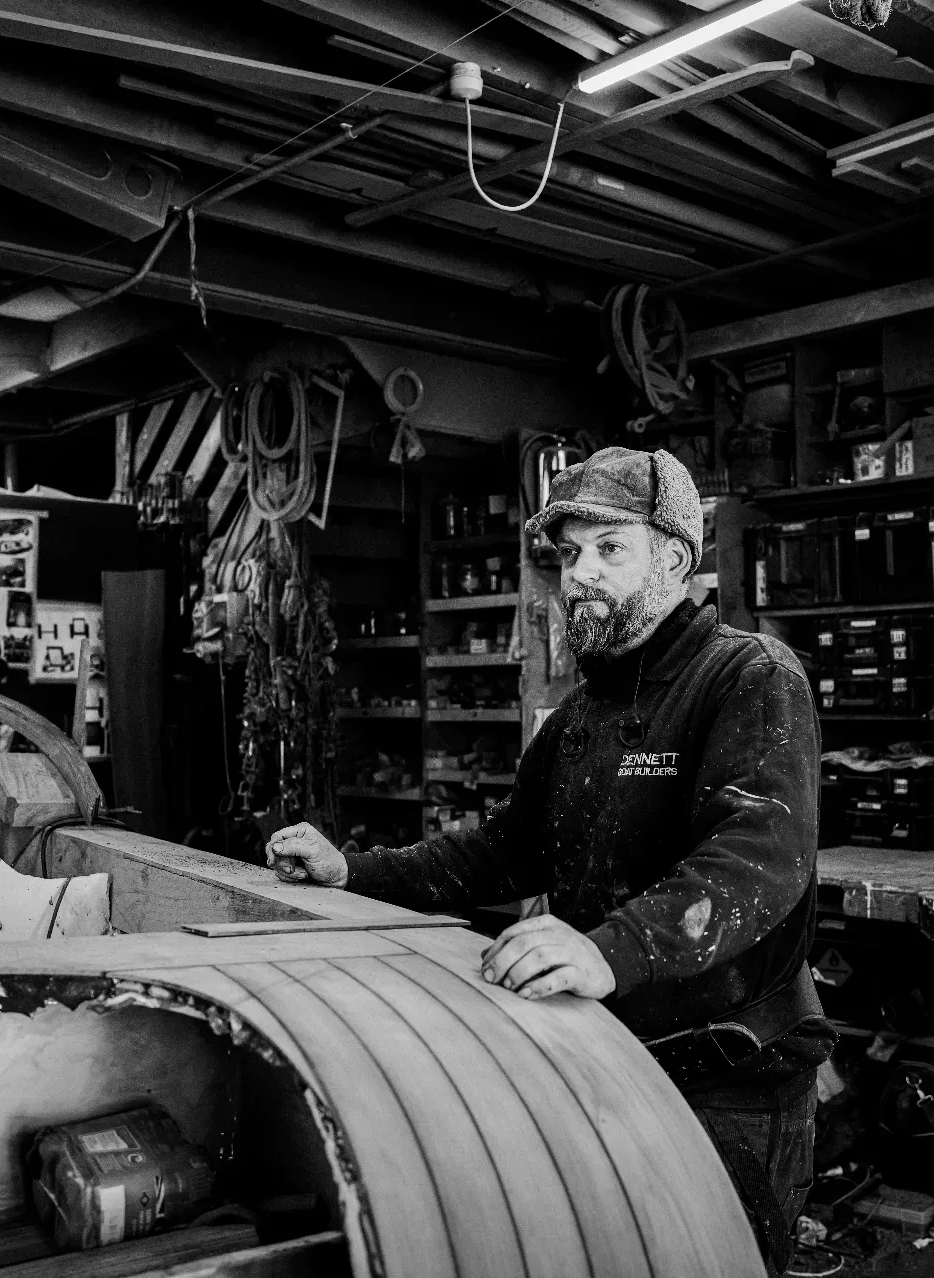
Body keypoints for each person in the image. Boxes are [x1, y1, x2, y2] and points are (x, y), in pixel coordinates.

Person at [266, 446, 832, 1274]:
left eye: (609, 549)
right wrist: (358, 873)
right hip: (607, 1054)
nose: (580, 576)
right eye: (569, 555)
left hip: (728, 1080)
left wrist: (607, 949)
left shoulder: (747, 675)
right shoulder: (580, 716)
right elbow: (504, 850)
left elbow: (758, 858)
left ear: (674, 558)